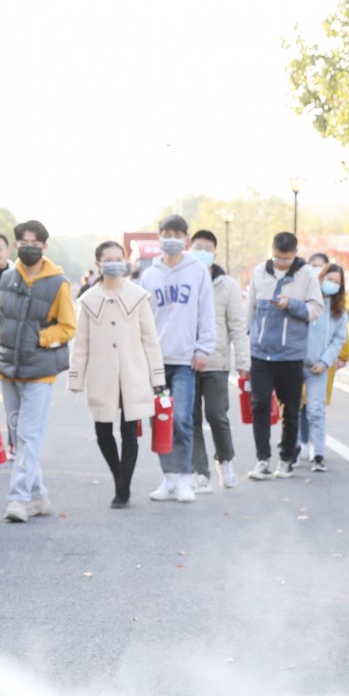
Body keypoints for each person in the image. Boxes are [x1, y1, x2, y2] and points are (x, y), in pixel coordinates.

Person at [69, 245, 165, 507]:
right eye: (107, 260)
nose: (113, 264)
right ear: (98, 263)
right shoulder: (88, 301)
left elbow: (150, 340)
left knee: (129, 432)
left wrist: (158, 378)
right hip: (101, 375)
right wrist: (76, 378)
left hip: (133, 374)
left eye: (117, 259)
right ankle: (118, 475)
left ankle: (123, 490)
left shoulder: (138, 297)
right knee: (102, 431)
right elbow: (82, 343)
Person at [0, 220, 76, 523]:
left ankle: (18, 498)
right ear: (16, 245)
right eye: (23, 242)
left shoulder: (58, 283)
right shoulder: (7, 278)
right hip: (8, 370)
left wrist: (38, 339)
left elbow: (68, 327)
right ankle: (39, 496)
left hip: (39, 372)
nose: (29, 247)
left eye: (35, 242)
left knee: (29, 435)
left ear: (44, 246)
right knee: (18, 436)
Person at [136, 215, 215, 502]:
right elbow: (141, 319)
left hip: (184, 359)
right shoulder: (149, 275)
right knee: (160, 420)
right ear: (158, 237)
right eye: (165, 233)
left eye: (176, 234)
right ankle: (167, 478)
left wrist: (204, 348)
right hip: (155, 360)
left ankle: (183, 478)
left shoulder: (197, 271)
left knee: (182, 418)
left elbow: (206, 311)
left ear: (185, 238)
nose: (171, 238)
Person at [245, 231, 316, 481]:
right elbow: (250, 310)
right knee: (260, 404)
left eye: (286, 259)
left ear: (295, 253)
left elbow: (315, 309)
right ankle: (262, 459)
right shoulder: (259, 273)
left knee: (291, 409)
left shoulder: (307, 275)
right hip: (261, 353)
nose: (281, 263)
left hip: (290, 355)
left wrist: (292, 305)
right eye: (277, 258)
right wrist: (246, 345)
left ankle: (286, 458)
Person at [185, 228, 248, 492]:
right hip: (185, 362)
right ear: (189, 247)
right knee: (191, 418)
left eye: (207, 249)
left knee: (216, 414)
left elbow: (237, 324)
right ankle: (200, 471)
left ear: (214, 253)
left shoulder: (227, 285)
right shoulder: (183, 279)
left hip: (217, 362)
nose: (202, 253)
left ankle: (226, 459)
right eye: (197, 247)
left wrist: (243, 362)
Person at [300, 262, 347, 471]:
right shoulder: (306, 302)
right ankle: (291, 452)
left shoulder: (339, 313)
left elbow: (338, 340)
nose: (332, 284)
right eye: (330, 279)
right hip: (297, 363)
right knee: (292, 408)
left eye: (337, 282)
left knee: (316, 410)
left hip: (319, 367)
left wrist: (324, 362)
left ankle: (318, 453)